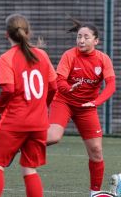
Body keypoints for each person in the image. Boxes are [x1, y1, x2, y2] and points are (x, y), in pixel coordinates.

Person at [0, 14, 57, 197]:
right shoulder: (42, 54)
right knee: (29, 169)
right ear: (28, 32)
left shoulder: (7, 58)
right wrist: (43, 106)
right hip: (39, 123)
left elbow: (8, 90)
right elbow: (54, 87)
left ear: (6, 35)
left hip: (15, 122)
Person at [46, 19, 116, 196]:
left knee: (97, 151)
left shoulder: (103, 59)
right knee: (53, 137)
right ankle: (20, 143)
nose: (81, 40)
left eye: (86, 37)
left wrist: (95, 102)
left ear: (96, 41)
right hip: (64, 101)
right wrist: (69, 88)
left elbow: (111, 85)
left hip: (87, 107)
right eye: (79, 37)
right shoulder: (69, 55)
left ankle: (95, 193)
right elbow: (59, 80)